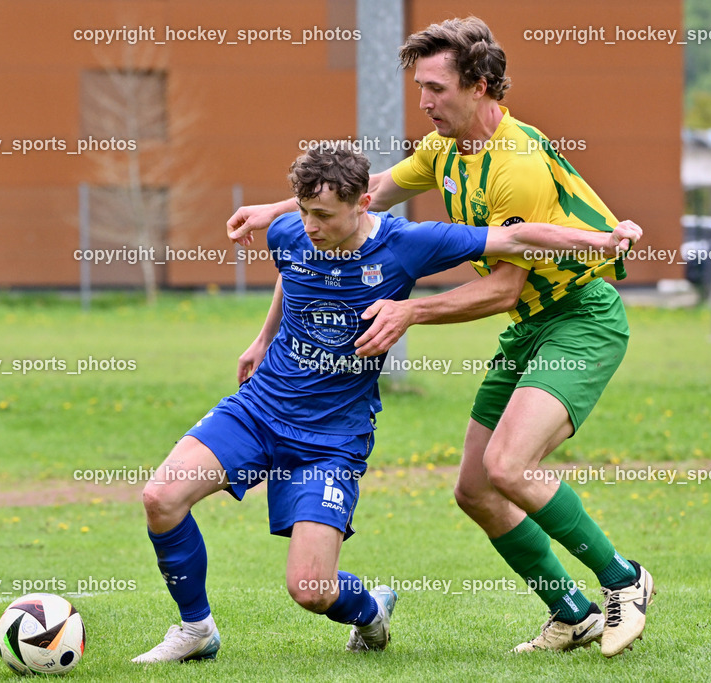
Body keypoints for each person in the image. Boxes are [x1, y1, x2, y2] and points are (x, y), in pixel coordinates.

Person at [226, 17, 653, 658]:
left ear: (479, 86)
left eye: (436, 88)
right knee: (476, 489)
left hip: (579, 320)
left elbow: (504, 288)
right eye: (419, 87)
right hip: (530, 328)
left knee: (509, 466)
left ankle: (624, 579)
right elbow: (365, 196)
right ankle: (572, 614)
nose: (423, 102)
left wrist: (411, 313)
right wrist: (274, 209)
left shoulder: (517, 166)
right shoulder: (443, 151)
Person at [136, 146, 639, 664]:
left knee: (311, 589)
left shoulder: (406, 244)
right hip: (259, 409)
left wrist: (602, 239)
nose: (309, 226)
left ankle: (371, 609)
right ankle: (196, 629)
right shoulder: (289, 231)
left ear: (363, 203)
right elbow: (292, 272)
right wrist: (263, 338)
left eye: (323, 215)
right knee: (160, 497)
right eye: (303, 211)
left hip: (331, 438)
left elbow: (515, 238)